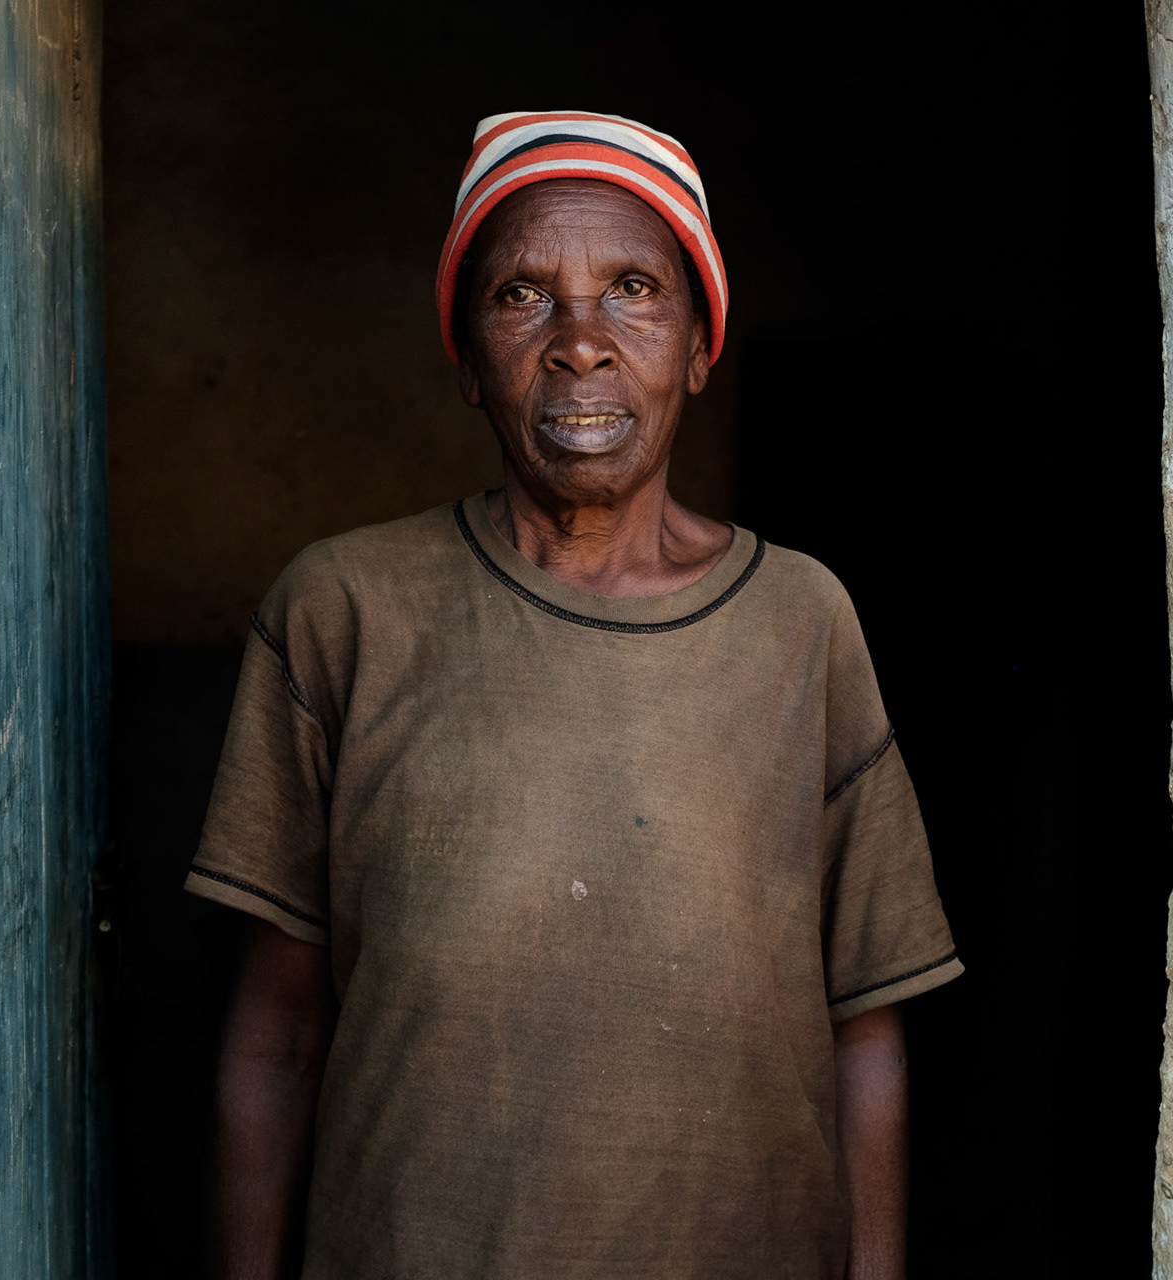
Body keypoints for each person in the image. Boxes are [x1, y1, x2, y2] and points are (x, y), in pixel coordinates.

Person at [188, 110, 960, 1279]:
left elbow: (867, 1032)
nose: (581, 341)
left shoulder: (802, 622)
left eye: (635, 288)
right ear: (465, 358)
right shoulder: (344, 609)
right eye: (523, 296)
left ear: (699, 347)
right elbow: (277, 1033)